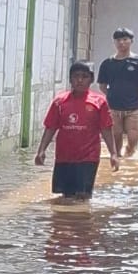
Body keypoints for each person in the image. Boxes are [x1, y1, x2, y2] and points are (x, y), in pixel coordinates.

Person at [37, 61, 120, 201]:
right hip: (64, 156)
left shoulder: (99, 102)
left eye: (84, 76)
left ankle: (83, 215)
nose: (80, 80)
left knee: (83, 196)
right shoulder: (59, 102)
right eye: (76, 76)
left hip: (88, 157)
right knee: (66, 196)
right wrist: (41, 150)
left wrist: (113, 154)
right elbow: (51, 127)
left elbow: (106, 129)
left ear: (91, 80)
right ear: (70, 79)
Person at [96, 27, 138, 159]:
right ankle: (117, 157)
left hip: (133, 107)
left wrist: (135, 96)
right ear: (114, 42)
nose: (121, 43)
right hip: (113, 107)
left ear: (131, 41)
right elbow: (102, 85)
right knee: (116, 134)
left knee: (133, 136)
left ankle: (129, 152)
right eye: (118, 40)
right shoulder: (107, 63)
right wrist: (111, 95)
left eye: (125, 39)